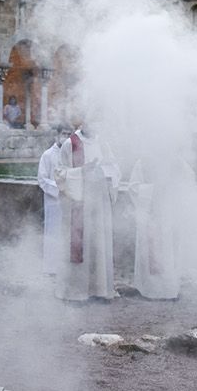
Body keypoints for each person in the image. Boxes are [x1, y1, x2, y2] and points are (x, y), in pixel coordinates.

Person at [54, 118, 119, 302]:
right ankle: (76, 292)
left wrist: (103, 173)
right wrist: (82, 172)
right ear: (84, 121)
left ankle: (100, 291)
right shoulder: (70, 144)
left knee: (99, 244)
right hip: (78, 205)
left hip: (99, 204)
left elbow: (115, 170)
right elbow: (60, 174)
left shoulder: (103, 144)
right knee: (79, 243)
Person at [129, 156, 189, 301]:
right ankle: (149, 290)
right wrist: (153, 189)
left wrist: (173, 187)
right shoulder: (143, 161)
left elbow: (189, 182)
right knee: (151, 248)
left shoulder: (178, 161)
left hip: (170, 214)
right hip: (151, 214)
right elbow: (133, 187)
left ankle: (170, 289)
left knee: (170, 252)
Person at [36, 132, 63, 274]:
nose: (65, 137)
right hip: (53, 201)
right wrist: (60, 188)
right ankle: (52, 267)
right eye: (63, 133)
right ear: (57, 135)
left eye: (68, 133)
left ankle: (65, 266)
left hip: (70, 200)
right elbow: (42, 179)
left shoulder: (71, 153)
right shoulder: (47, 155)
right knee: (53, 233)